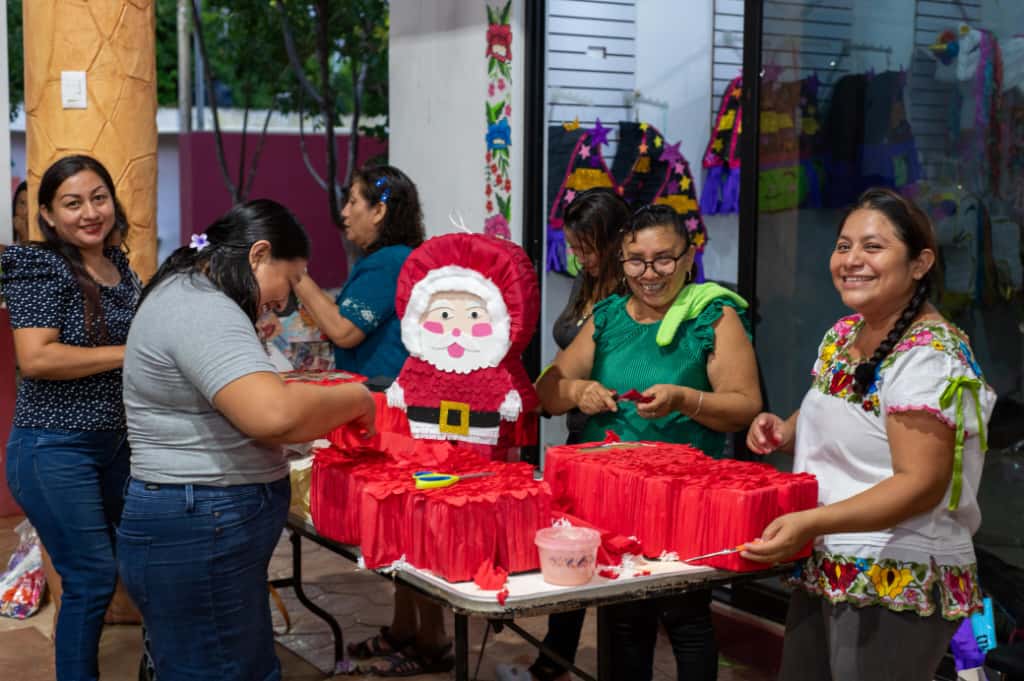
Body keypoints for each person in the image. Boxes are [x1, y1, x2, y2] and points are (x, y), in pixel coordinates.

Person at [117, 199, 377, 681]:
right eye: (291, 279)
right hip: (201, 523)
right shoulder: (202, 308)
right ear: (258, 255)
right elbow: (272, 415)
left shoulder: (189, 292)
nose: (283, 301)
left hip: (197, 522)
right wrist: (357, 399)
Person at [744, 187, 996, 681]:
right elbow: (846, 414)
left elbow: (920, 484)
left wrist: (809, 522)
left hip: (896, 572)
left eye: (872, 247)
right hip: (829, 562)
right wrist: (785, 428)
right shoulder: (844, 334)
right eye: (843, 246)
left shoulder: (929, 355)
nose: (851, 260)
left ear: (920, 263)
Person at [536, 203, 763, 680]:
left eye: (663, 259)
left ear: (688, 257)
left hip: (682, 500)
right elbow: (547, 393)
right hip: (609, 499)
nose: (649, 273)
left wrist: (685, 400)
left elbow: (744, 405)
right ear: (621, 262)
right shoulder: (608, 317)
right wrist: (578, 390)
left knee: (685, 620)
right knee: (622, 622)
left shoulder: (713, 318)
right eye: (636, 260)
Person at [1, 155, 139, 681]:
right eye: (73, 203)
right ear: (49, 215)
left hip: (116, 444)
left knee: (148, 560)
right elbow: (37, 358)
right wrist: (132, 350)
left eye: (98, 197)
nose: (90, 212)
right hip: (54, 448)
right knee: (90, 578)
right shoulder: (40, 266)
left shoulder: (120, 266)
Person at [496, 188, 630, 681]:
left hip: (615, 436)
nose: (583, 259)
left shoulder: (632, 296)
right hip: (577, 435)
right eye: (575, 248)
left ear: (619, 239)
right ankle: (554, 658)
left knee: (606, 561)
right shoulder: (587, 284)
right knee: (569, 554)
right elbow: (560, 367)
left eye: (589, 247)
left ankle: (565, 660)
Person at [293, 165, 425, 381]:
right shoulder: (396, 258)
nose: (344, 212)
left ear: (379, 211)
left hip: (381, 397)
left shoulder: (388, 262)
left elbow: (343, 331)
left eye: (353, 202)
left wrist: (295, 274)